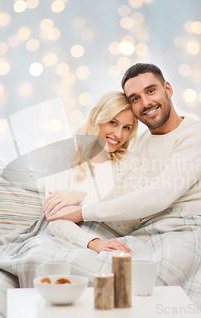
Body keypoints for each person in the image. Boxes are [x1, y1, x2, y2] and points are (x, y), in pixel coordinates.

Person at [44, 63, 201, 226]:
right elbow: (122, 196)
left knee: (122, 263)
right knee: (114, 262)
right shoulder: (138, 145)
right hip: (149, 231)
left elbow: (158, 195)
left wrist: (81, 209)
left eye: (151, 91)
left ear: (168, 89)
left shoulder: (197, 135)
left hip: (191, 226)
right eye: (135, 98)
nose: (146, 102)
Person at [43, 91, 142, 254]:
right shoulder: (62, 159)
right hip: (64, 238)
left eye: (126, 128)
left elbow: (130, 222)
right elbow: (54, 219)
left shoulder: (130, 163)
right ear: (97, 118)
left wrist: (81, 197)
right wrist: (93, 243)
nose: (118, 134)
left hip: (112, 240)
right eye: (113, 122)